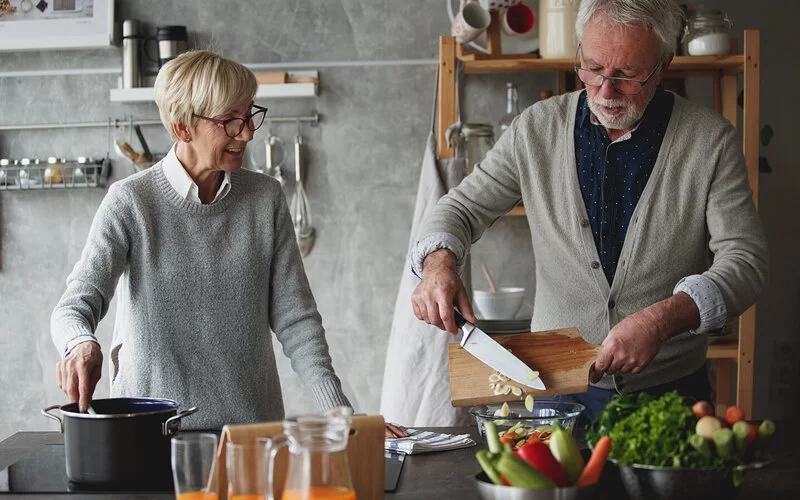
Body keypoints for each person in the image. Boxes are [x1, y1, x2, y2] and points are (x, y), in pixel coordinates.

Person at [410, 0, 768, 422]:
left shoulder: (711, 141)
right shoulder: (536, 130)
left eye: (627, 75)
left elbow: (747, 262)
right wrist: (438, 264)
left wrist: (663, 319)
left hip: (670, 392)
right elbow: (461, 207)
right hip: (551, 389)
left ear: (664, 62)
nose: (604, 90)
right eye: (592, 68)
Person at [51, 50, 406, 437]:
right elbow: (75, 305)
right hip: (151, 438)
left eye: (250, 114)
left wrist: (340, 415)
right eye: (230, 121)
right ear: (183, 127)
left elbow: (297, 321)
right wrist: (80, 343)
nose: (248, 133)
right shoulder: (131, 202)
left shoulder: (265, 197)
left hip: (252, 438)